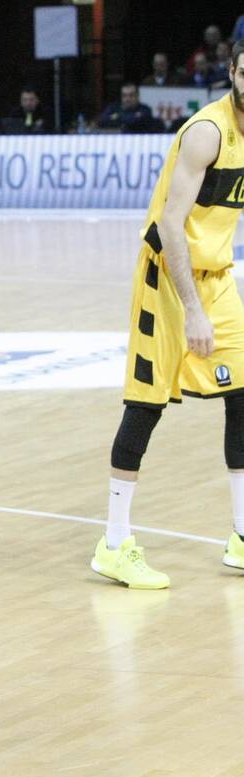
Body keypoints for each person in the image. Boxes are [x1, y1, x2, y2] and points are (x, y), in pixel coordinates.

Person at [91, 41, 244, 591]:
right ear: (232, 73)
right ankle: (114, 546)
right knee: (146, 405)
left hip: (218, 275)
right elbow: (171, 225)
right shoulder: (207, 133)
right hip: (168, 276)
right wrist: (194, 312)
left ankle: (242, 536)